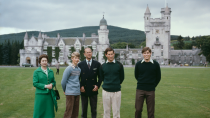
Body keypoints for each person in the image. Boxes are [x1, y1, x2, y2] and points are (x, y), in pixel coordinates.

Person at [134, 47, 161, 118]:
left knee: (150, 111)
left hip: (151, 90)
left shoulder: (155, 64)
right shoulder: (138, 64)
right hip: (140, 89)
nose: (146, 54)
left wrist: (153, 85)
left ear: (150, 53)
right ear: (142, 54)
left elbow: (158, 77)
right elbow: (136, 76)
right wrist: (142, 82)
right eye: (145, 53)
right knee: (138, 109)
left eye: (148, 53)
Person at [100, 47, 124, 118]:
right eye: (109, 54)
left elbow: (122, 77)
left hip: (116, 92)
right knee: (106, 112)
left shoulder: (119, 65)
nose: (110, 56)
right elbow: (102, 78)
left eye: (112, 54)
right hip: (106, 91)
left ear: (114, 54)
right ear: (106, 55)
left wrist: (116, 84)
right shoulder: (103, 66)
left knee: (116, 112)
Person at [78, 48, 102, 118]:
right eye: (87, 52)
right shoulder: (80, 64)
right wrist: (80, 86)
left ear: (92, 53)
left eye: (90, 52)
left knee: (94, 110)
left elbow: (100, 77)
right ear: (84, 54)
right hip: (84, 89)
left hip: (93, 89)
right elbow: (77, 78)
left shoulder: (97, 64)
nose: (89, 53)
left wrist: (97, 86)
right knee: (84, 110)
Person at [61, 52, 81, 118]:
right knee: (68, 111)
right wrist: (65, 90)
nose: (77, 59)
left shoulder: (79, 69)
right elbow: (63, 82)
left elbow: (77, 80)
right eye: (75, 58)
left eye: (78, 58)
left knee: (75, 112)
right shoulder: (68, 69)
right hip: (70, 93)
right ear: (72, 58)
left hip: (77, 92)